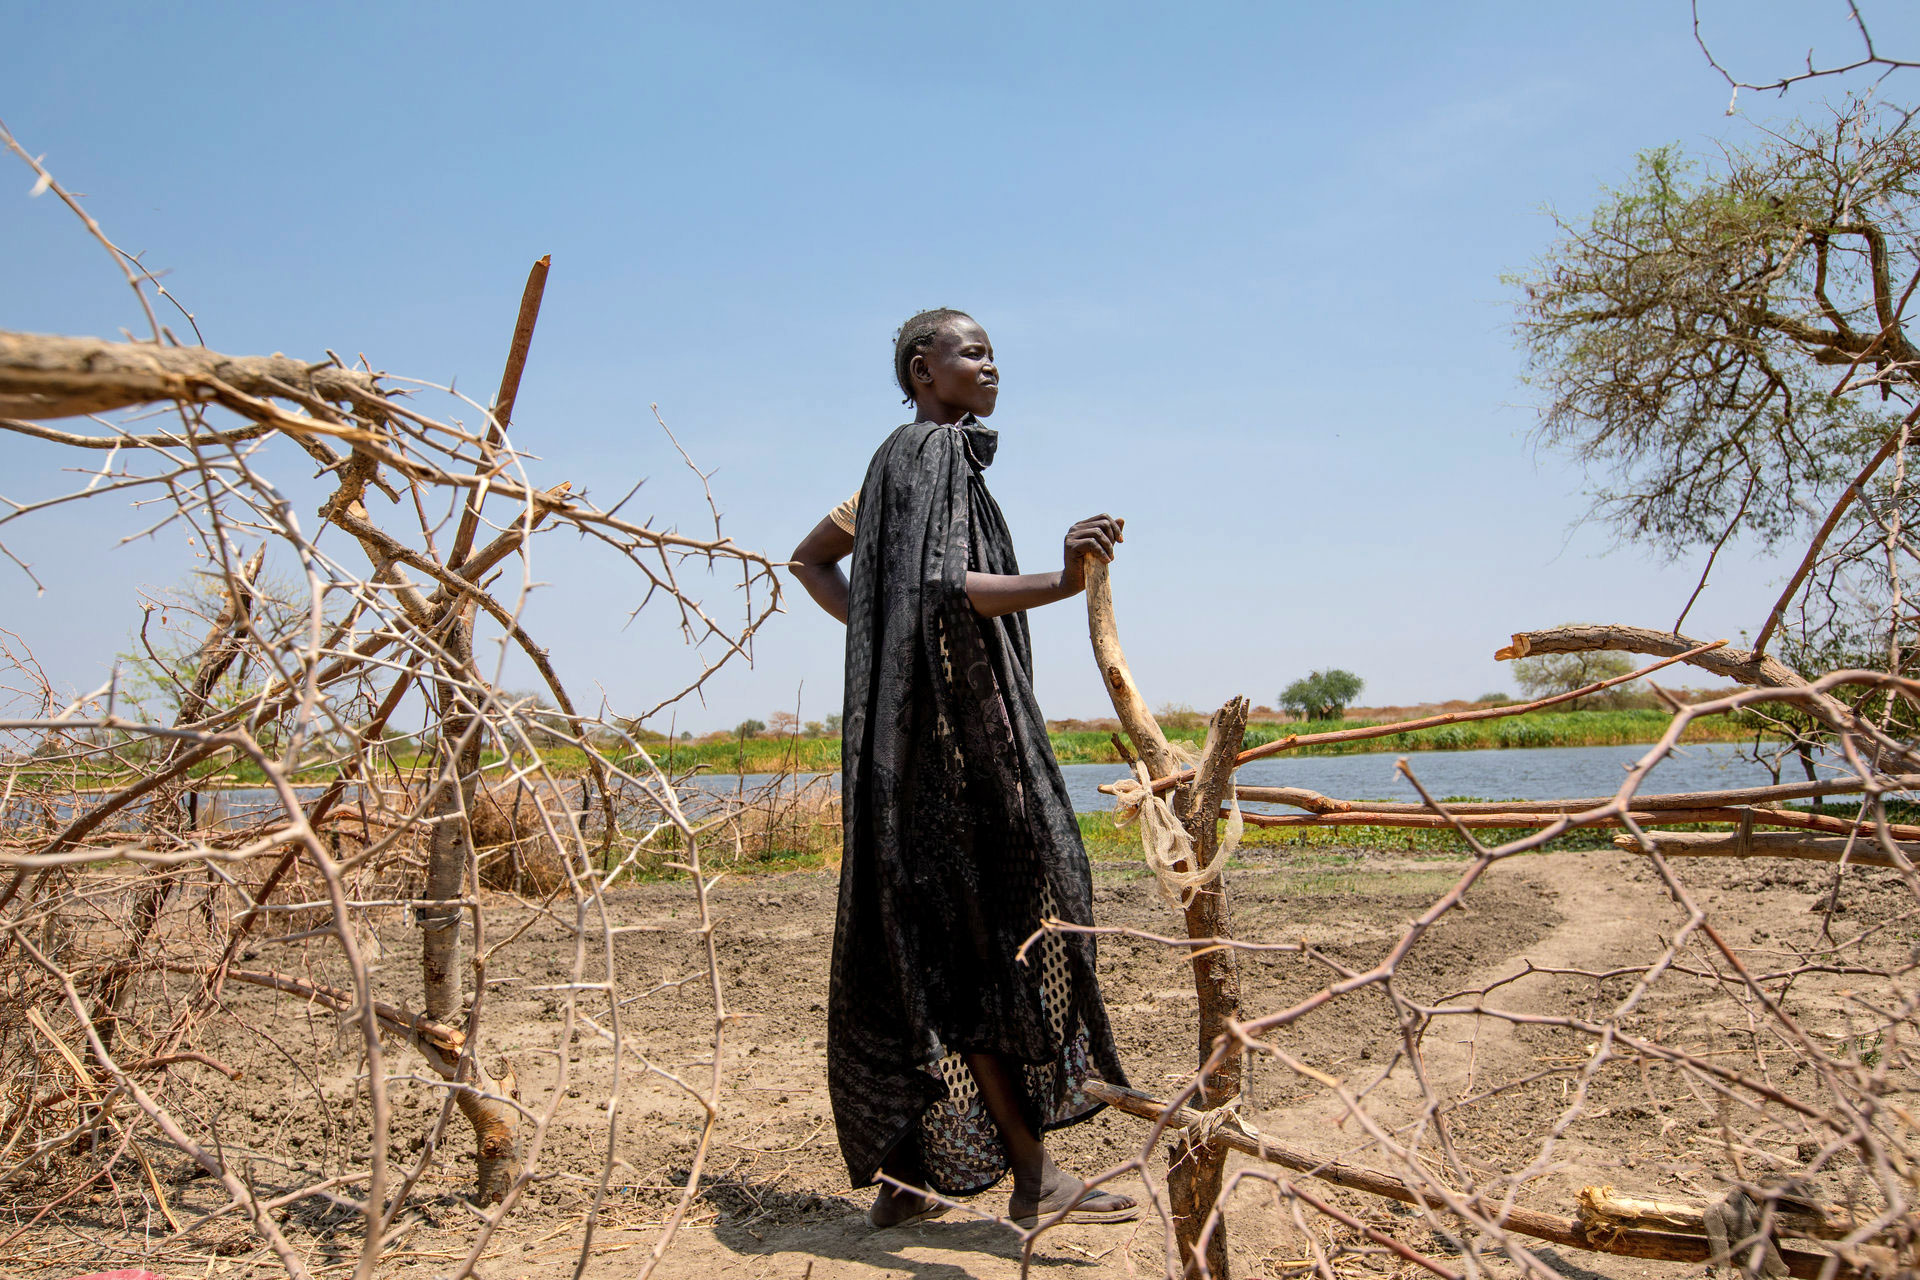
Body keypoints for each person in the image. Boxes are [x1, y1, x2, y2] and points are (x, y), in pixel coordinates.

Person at [788, 308, 1137, 1229]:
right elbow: (946, 590)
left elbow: (810, 559)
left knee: (925, 944)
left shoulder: (894, 469)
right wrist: (1063, 583)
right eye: (972, 352)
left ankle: (907, 1183)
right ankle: (1032, 1174)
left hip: (909, 752)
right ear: (921, 369)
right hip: (945, 760)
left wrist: (885, 642)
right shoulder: (931, 456)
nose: (991, 366)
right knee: (994, 932)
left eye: (993, 353)